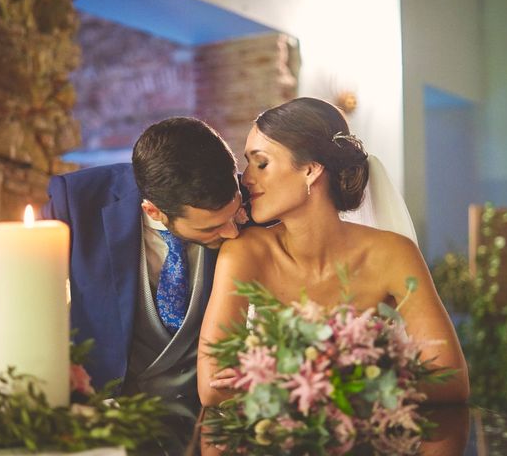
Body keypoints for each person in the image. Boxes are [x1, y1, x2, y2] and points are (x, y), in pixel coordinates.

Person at [197, 97, 470, 408]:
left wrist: (308, 383)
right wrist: (359, 385)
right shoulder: (244, 253)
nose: (246, 178)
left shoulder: (394, 255)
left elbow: (451, 379)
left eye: (261, 163)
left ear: (311, 170)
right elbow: (211, 388)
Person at [41, 117, 245, 420]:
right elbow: (13, 286)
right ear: (154, 211)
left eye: (235, 212)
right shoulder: (77, 202)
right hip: (108, 416)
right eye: (214, 227)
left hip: (214, 420)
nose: (233, 232)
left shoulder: (251, 204)